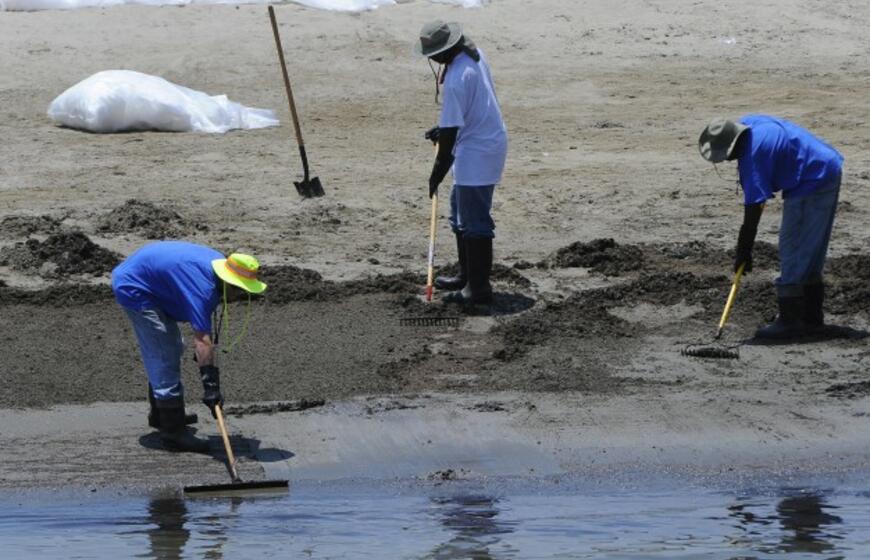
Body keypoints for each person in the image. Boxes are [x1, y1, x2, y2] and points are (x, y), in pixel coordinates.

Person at [112, 241, 267, 452]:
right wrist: (211, 388)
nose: (240, 296)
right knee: (164, 353)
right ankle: (173, 433)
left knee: (174, 347)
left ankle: (161, 415)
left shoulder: (219, 267)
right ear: (227, 282)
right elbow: (202, 340)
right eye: (239, 290)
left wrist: (209, 376)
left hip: (154, 279)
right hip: (135, 287)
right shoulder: (202, 291)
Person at [699, 115, 843, 339]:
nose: (728, 162)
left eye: (727, 157)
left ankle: (791, 322)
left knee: (793, 247)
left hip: (814, 179)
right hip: (824, 165)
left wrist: (744, 251)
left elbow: (753, 212)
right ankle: (811, 319)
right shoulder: (751, 123)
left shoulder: (753, 157)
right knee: (810, 250)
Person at [416, 20, 508, 305]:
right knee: (460, 215)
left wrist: (436, 174)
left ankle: (478, 288)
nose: (431, 59)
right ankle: (466, 275)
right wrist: (442, 127)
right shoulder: (473, 53)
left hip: (479, 151)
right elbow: (466, 110)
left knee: (475, 221)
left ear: (444, 52)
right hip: (481, 141)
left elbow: (449, 141)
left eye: (433, 54)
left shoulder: (456, 79)